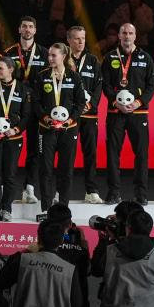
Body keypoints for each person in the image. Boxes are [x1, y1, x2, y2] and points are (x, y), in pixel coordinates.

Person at [101, 22, 154, 205]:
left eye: (130, 33)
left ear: (135, 36)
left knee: (141, 154)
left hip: (138, 113)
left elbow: (151, 86)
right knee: (112, 153)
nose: (127, 36)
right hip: (115, 112)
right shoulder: (109, 57)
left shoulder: (145, 58)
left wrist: (138, 103)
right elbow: (105, 85)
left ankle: (141, 194)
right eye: (124, 33)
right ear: (119, 35)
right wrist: (115, 102)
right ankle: (113, 192)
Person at [2, 17, 49, 206]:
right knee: (9, 147)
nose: (27, 30)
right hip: (14, 107)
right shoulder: (9, 52)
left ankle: (29, 188)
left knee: (34, 149)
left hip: (36, 107)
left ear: (35, 30)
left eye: (31, 27)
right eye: (24, 26)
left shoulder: (45, 53)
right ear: (19, 29)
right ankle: (6, 188)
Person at [33, 43, 86, 213]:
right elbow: (35, 102)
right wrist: (46, 118)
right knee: (45, 169)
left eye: (54, 55)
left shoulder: (74, 77)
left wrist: (70, 120)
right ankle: (46, 208)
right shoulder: (42, 76)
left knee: (66, 169)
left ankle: (63, 207)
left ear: (63, 56)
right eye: (49, 55)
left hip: (68, 130)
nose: (50, 58)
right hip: (47, 129)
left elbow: (80, 102)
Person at [0, 57, 31, 221]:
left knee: (10, 174)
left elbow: (26, 115)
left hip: (13, 138)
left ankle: (7, 208)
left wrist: (16, 129)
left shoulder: (22, 89)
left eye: (1, 68)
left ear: (11, 69)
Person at [66, 26, 103, 204]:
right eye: (77, 38)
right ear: (69, 40)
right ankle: (62, 191)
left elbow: (98, 86)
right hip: (69, 115)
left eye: (83, 38)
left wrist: (90, 104)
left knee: (90, 153)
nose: (81, 42)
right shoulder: (63, 59)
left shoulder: (93, 60)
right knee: (67, 154)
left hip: (89, 115)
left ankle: (91, 190)